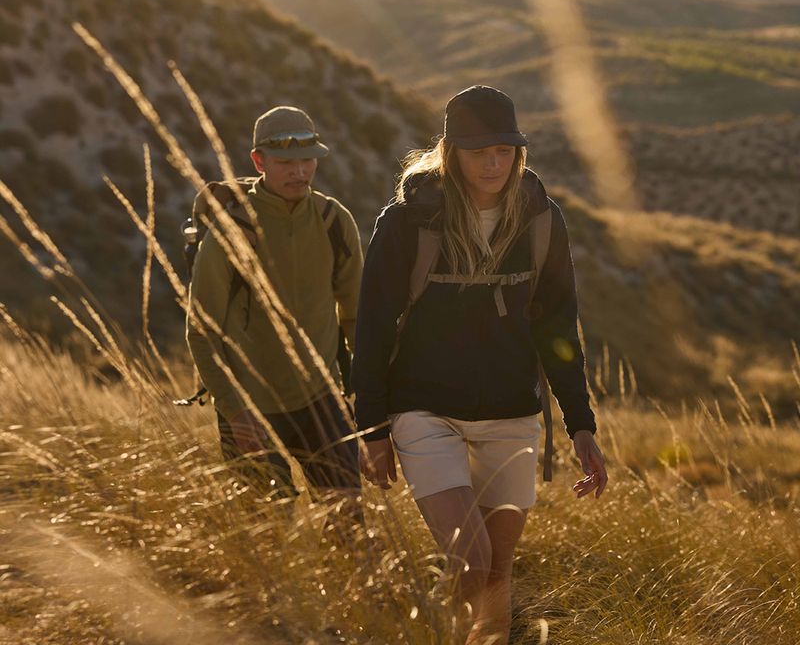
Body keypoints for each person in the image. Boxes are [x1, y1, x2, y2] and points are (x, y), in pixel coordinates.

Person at [351, 86, 607, 644]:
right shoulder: (407, 224)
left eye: (505, 150)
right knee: (471, 558)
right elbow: (370, 330)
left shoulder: (541, 220)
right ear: (450, 152)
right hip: (423, 409)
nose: (494, 163)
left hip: (511, 411)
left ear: (519, 152)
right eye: (478, 151)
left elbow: (558, 329)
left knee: (497, 567)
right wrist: (372, 428)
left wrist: (580, 423)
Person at [186, 105, 364, 510]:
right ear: (259, 161)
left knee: (348, 514)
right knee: (268, 528)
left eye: (308, 161)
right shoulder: (231, 230)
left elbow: (355, 315)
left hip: (320, 398)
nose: (299, 172)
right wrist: (236, 411)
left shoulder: (335, 221)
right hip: (250, 406)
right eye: (286, 162)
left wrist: (369, 394)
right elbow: (201, 330)